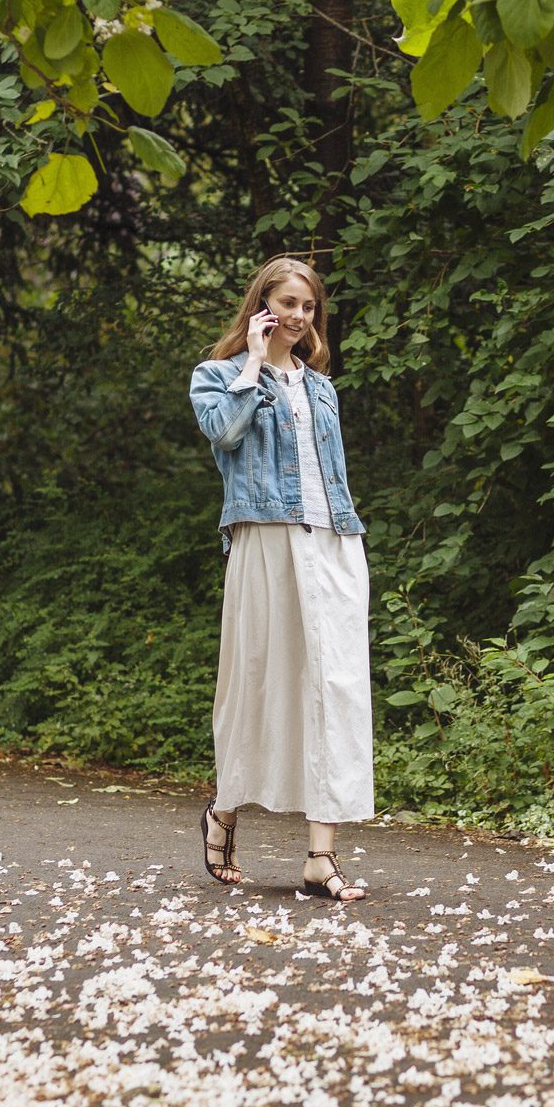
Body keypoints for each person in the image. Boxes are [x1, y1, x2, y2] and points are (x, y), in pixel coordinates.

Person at [187, 255, 372, 902]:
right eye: (287, 303)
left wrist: (344, 543)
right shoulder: (217, 376)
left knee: (336, 690)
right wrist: (253, 365)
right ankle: (225, 810)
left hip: (334, 543)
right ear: (261, 306)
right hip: (264, 540)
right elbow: (224, 433)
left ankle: (320, 856)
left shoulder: (322, 388)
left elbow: (333, 475)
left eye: (308, 306)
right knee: (257, 683)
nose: (298, 316)